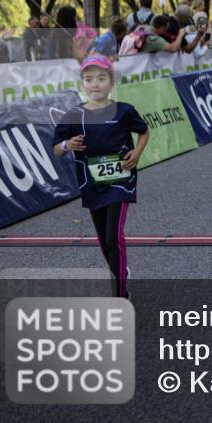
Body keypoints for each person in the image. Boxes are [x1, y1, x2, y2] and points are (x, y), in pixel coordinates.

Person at [52, 55, 150, 298]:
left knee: (113, 236)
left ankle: (119, 294)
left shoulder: (124, 111)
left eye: (101, 78)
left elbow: (145, 131)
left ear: (111, 82)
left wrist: (136, 153)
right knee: (104, 241)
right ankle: (120, 271)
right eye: (89, 79)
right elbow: (56, 149)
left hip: (120, 181)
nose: (95, 84)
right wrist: (67, 144)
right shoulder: (74, 115)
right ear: (82, 83)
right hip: (91, 183)